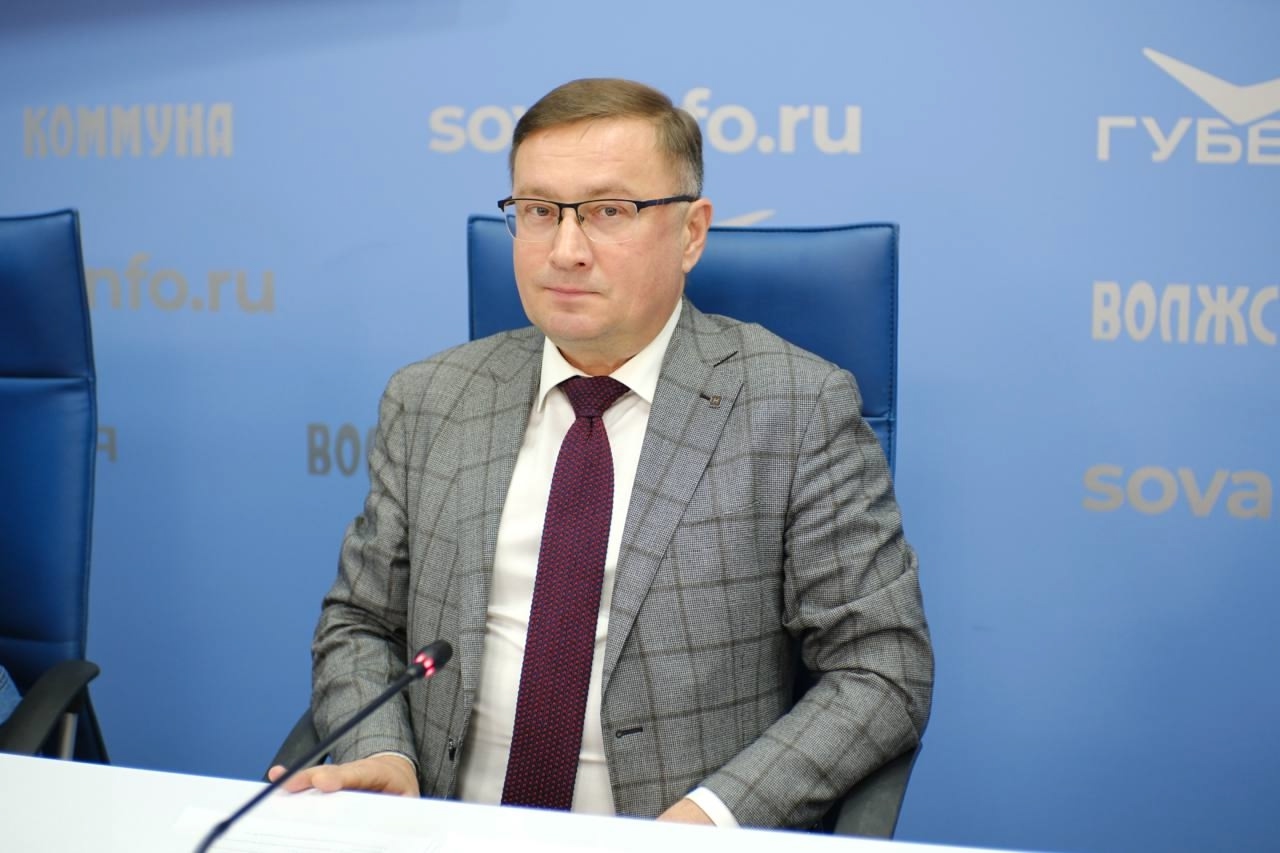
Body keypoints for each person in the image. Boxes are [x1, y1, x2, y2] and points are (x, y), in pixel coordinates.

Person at [273, 77, 932, 830]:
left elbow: (881, 667)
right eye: (538, 211)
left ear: (691, 232)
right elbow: (361, 623)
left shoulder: (796, 406)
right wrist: (385, 753)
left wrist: (710, 818)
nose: (565, 250)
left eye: (609, 211)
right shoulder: (431, 399)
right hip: (444, 824)